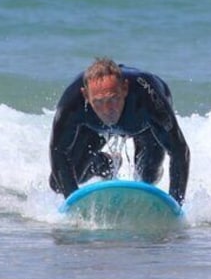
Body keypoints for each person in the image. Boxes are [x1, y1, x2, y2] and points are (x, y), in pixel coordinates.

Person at [48, 57, 190, 205]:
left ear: (125, 88)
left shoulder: (150, 99)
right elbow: (59, 152)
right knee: (58, 184)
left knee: (148, 177)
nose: (107, 109)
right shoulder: (72, 102)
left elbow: (179, 151)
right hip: (94, 128)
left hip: (145, 126)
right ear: (86, 95)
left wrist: (175, 204)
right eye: (98, 102)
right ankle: (105, 163)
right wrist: (73, 203)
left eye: (113, 99)